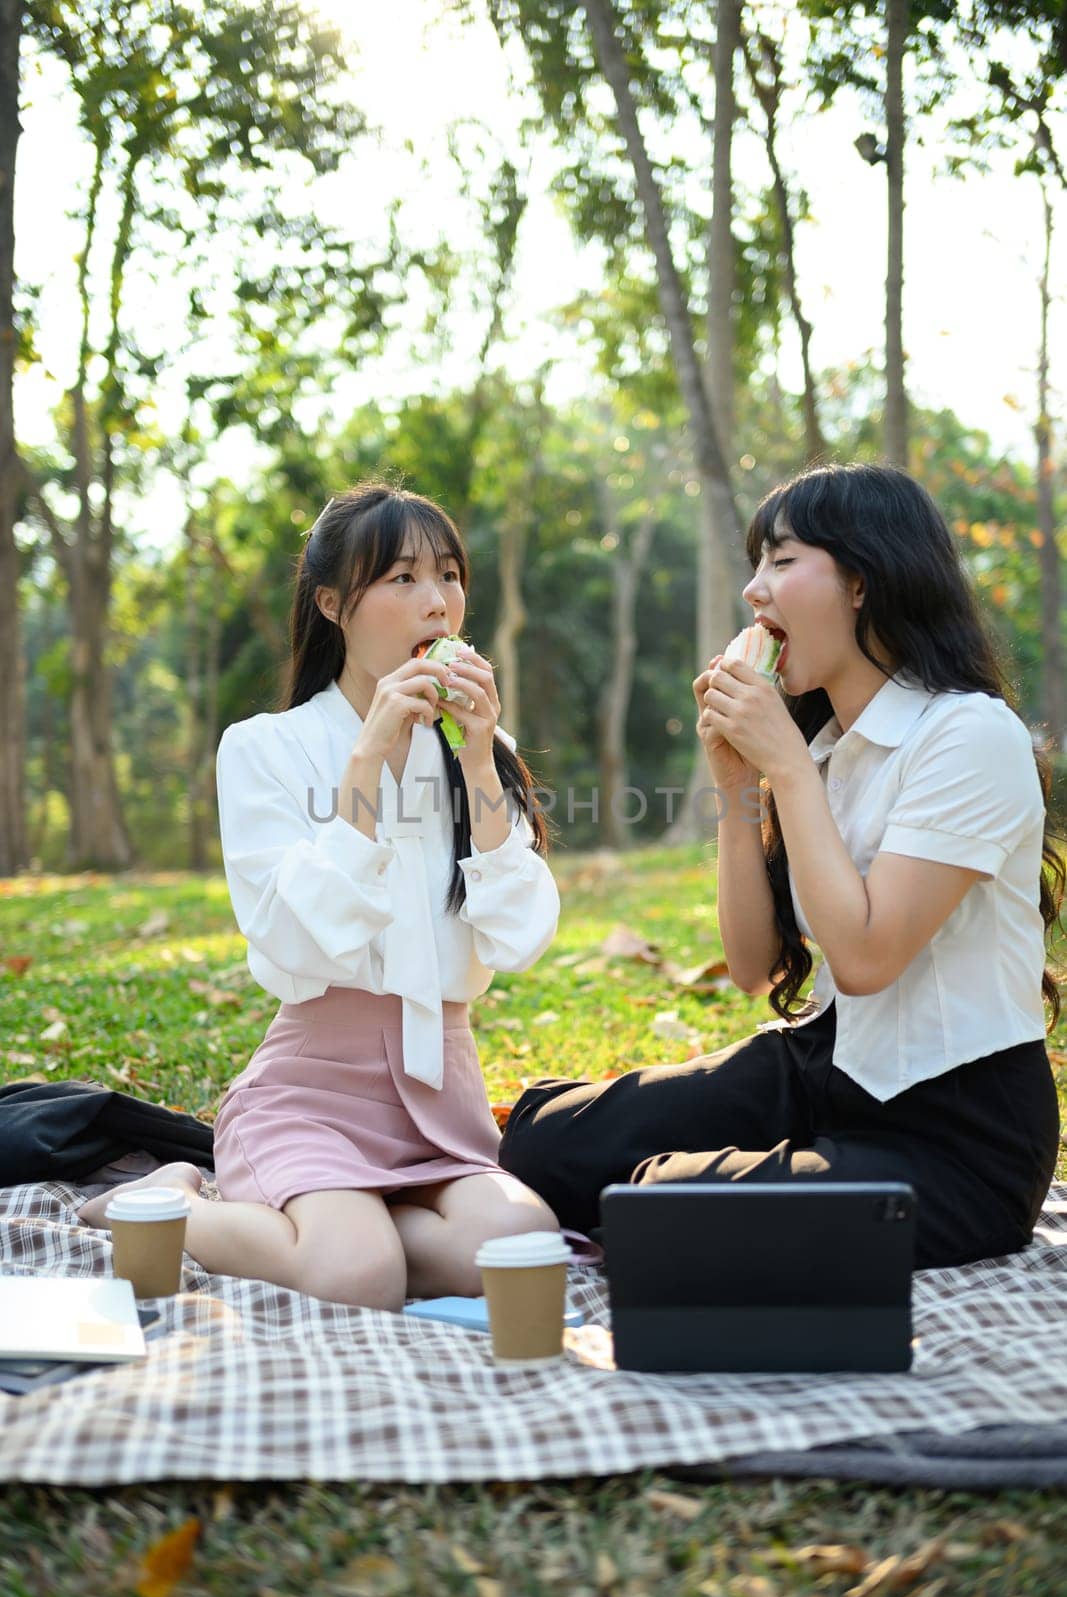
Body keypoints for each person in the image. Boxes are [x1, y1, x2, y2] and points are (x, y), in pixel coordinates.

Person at [499, 463, 1065, 1269]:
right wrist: (738, 781)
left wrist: (785, 770)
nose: (753, 592)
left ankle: (690, 1198)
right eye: (754, 563)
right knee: (543, 1147)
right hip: (825, 1070)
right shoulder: (824, 749)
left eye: (782, 560)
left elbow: (867, 957)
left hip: (954, 1138)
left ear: (863, 579)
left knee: (661, 1210)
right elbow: (750, 963)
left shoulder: (967, 736)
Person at [80, 483, 561, 1308]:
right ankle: (161, 1205)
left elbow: (519, 937)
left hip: (441, 1093)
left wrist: (481, 761)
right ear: (334, 604)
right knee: (354, 1275)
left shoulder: (483, 750)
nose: (436, 602)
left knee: (521, 1244)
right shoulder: (265, 748)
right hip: (312, 1091)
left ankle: (356, 1221)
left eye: (448, 576)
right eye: (402, 579)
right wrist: (367, 762)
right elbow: (299, 940)